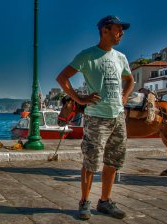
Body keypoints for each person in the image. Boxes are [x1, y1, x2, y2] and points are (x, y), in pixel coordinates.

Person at [56, 15, 135, 220]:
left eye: (122, 29)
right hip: (96, 118)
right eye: (118, 29)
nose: (122, 33)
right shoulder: (87, 56)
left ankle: (105, 202)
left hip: (117, 117)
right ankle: (84, 202)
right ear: (105, 31)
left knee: (113, 161)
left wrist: (124, 97)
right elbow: (62, 77)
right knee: (91, 162)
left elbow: (130, 80)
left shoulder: (121, 57)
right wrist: (80, 99)